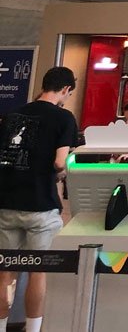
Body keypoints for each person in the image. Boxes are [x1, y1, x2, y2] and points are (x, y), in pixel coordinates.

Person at [0, 67, 80, 332]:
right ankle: (33, 329)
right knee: (38, 270)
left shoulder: (12, 115)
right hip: (41, 204)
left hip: (7, 201)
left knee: (5, 272)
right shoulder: (63, 118)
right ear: (66, 89)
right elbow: (60, 161)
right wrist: (66, 168)